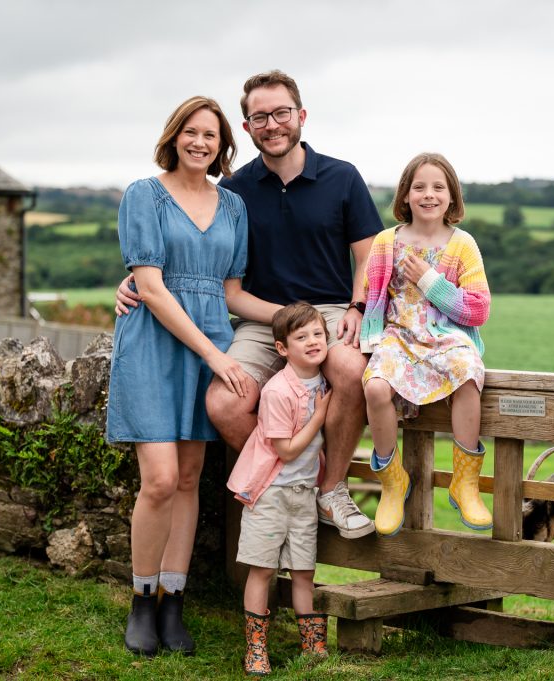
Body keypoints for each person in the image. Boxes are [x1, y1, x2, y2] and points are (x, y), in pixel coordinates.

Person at [117, 70, 383, 539]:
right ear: (246, 128)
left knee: (348, 369)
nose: (272, 124)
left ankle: (332, 490)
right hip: (263, 318)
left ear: (300, 116)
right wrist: (132, 280)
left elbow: (370, 257)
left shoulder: (343, 177)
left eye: (281, 113)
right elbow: (203, 259)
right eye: (259, 117)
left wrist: (359, 306)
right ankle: (296, 481)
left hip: (333, 310)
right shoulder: (235, 193)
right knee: (223, 402)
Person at [106, 95, 279, 657]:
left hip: (211, 342)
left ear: (223, 145)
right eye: (191, 132)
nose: (200, 142)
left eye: (211, 135)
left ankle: (173, 603)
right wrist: (216, 356)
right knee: (157, 479)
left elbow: (231, 293)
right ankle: (141, 601)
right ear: (174, 136)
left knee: (188, 479)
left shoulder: (232, 207)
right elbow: (151, 286)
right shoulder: (143, 194)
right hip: (159, 345)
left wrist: (293, 320)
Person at [360, 153, 492, 536]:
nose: (429, 195)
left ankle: (465, 482)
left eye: (438, 187)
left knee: (468, 374)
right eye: (419, 187)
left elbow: (479, 309)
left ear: (452, 198)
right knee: (375, 386)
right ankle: (391, 480)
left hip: (444, 338)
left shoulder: (463, 245)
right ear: (405, 195)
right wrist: (370, 343)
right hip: (398, 337)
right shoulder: (387, 242)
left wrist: (431, 281)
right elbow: (373, 297)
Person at [226, 302, 333, 675]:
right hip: (271, 494)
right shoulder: (277, 391)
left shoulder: (324, 382)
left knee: (304, 572)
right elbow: (284, 450)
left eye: (318, 333)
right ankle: (256, 648)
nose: (313, 341)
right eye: (301, 337)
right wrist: (319, 415)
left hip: (304, 494)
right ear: (282, 348)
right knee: (262, 570)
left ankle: (313, 646)